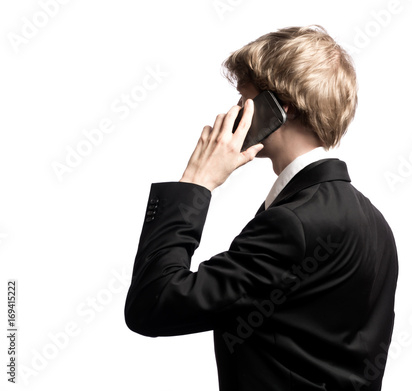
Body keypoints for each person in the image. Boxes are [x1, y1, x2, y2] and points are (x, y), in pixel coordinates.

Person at [125, 25, 398, 391]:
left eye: (244, 98)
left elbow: (153, 306)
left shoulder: (293, 224)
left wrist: (195, 183)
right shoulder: (374, 222)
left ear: (278, 109)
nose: (235, 112)